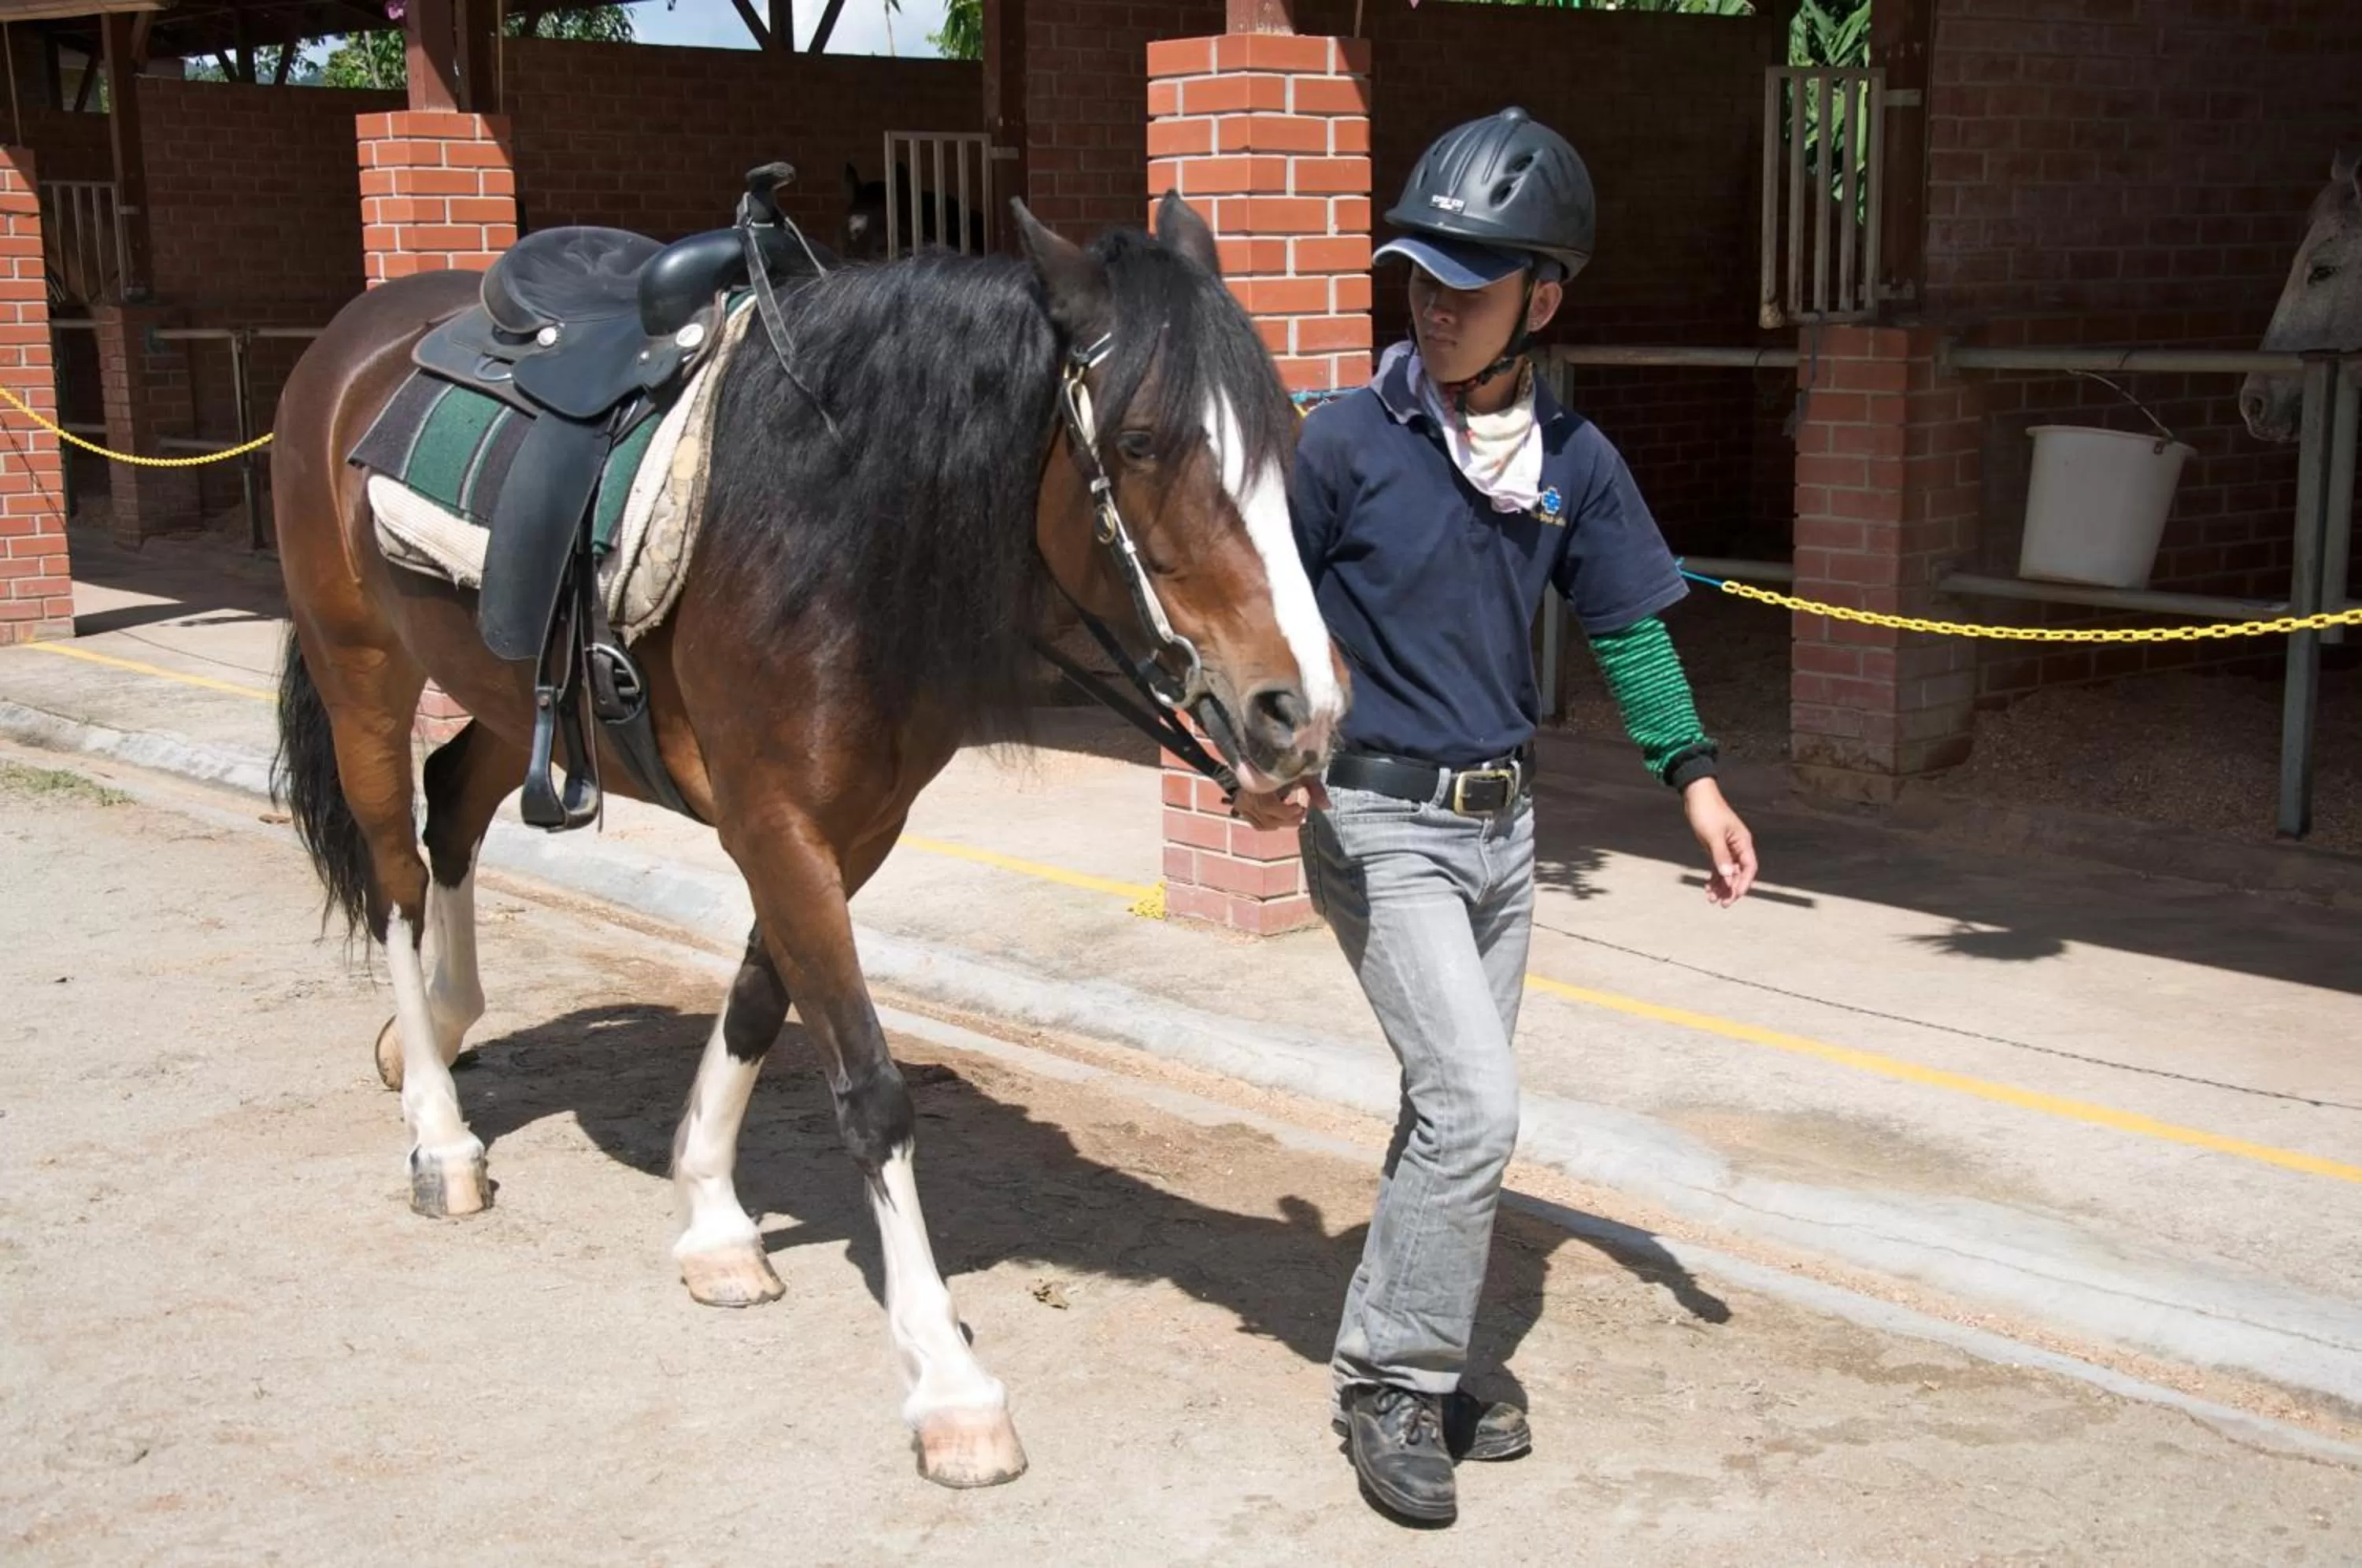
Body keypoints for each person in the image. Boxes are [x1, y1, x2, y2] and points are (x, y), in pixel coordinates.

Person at [1232, 106, 1760, 1527]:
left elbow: (1628, 627)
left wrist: (1692, 780)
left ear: (1546, 297)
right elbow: (1262, 615)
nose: (1438, 302)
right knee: (1477, 1106)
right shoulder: (1344, 439)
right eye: (1420, 275)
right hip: (1378, 822)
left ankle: (1430, 1338)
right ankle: (1391, 1383)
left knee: (1442, 1111)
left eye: (1473, 282)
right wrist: (1265, 758)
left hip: (1503, 835)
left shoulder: (1571, 463)